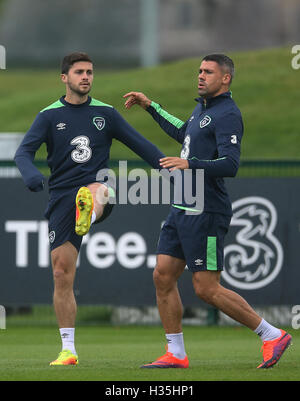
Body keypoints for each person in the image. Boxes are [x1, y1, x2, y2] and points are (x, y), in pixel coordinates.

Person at [123, 54, 292, 369]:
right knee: (162, 275)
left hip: (207, 211)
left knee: (206, 287)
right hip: (181, 207)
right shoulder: (204, 109)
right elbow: (184, 132)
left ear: (225, 78)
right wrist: (151, 106)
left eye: (208, 71)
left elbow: (230, 164)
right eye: (199, 70)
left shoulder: (228, 114)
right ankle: (176, 353)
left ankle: (272, 335)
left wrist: (190, 164)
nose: (200, 76)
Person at [14, 52, 165, 366]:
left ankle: (89, 211)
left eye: (90, 72)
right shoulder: (48, 116)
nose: (86, 77)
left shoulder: (106, 114)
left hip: (99, 189)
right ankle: (68, 350)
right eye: (79, 72)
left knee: (94, 190)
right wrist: (31, 175)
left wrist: (170, 168)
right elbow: (24, 152)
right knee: (61, 273)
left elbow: (141, 145)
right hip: (61, 199)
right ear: (64, 78)